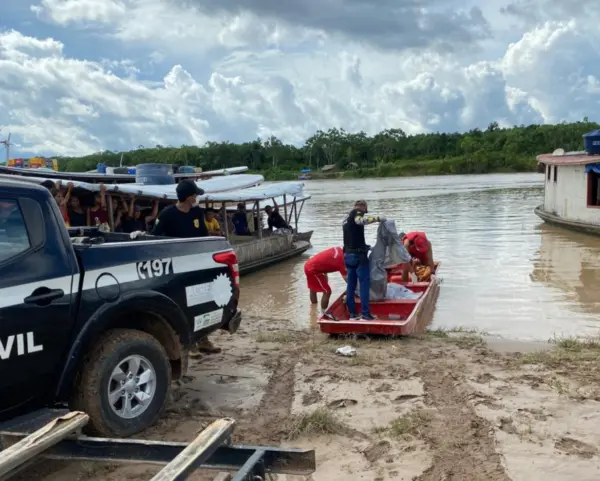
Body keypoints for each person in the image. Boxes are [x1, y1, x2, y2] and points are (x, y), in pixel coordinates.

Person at [151, 180, 219, 356]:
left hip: (198, 265)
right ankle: (189, 344)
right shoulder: (167, 214)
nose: (197, 199)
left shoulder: (197, 212)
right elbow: (154, 238)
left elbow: (203, 236)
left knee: (203, 302)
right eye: (195, 195)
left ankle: (203, 339)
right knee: (185, 304)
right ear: (190, 198)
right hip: (178, 268)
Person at [342, 200, 385, 321]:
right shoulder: (358, 212)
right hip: (359, 256)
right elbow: (359, 221)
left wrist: (366, 246)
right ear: (365, 207)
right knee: (364, 285)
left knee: (351, 285)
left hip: (348, 255)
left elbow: (352, 235)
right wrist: (378, 218)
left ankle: (353, 314)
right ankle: (366, 314)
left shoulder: (346, 218)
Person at [304, 247, 347, 315]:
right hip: (313, 270)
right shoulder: (341, 261)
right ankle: (323, 313)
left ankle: (313, 308)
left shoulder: (338, 249)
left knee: (313, 289)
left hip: (309, 265)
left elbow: (325, 261)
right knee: (327, 291)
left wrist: (325, 277)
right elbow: (348, 281)